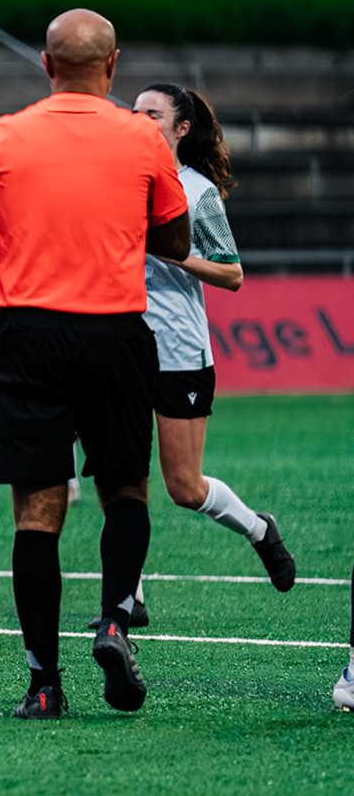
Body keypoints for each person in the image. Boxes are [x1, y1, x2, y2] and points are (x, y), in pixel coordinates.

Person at [0, 9, 189, 720]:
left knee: (37, 513)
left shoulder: (5, 134)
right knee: (126, 489)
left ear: (46, 65)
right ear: (113, 66)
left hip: (31, 336)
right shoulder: (143, 137)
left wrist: (26, 238)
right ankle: (113, 620)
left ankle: (44, 685)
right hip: (116, 334)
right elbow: (176, 240)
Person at [125, 83, 296, 630]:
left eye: (152, 114)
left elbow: (232, 273)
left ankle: (259, 529)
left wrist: (173, 253)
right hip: (122, 346)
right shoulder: (117, 182)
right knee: (123, 474)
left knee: (184, 487)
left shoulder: (197, 192)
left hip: (179, 350)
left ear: (181, 129)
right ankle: (128, 594)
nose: (139, 119)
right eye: (134, 111)